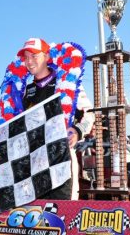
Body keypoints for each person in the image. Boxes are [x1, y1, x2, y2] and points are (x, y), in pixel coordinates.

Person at [18, 38, 94, 200]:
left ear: (46, 56)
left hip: (61, 160)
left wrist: (77, 131)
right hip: (34, 164)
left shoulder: (67, 82)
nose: (29, 61)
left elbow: (90, 113)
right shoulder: (26, 91)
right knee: (35, 218)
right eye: (26, 57)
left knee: (62, 215)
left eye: (34, 56)